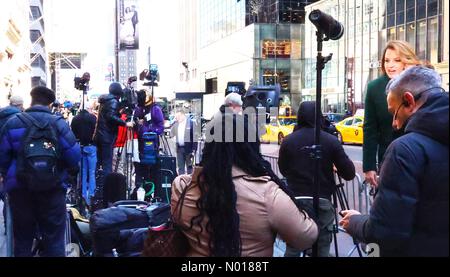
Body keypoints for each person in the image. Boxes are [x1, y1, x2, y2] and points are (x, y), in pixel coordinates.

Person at [171, 113, 318, 257]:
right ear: (250, 148)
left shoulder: (182, 187)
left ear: (210, 147)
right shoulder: (267, 194)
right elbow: (305, 238)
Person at [340, 66, 449, 257]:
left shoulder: (405, 150)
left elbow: (385, 232)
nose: (394, 123)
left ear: (408, 101)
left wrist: (356, 222)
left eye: (394, 113)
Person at [0, 86, 81, 257]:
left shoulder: (13, 123)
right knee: (54, 240)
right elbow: (74, 156)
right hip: (52, 189)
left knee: (22, 239)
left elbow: (3, 158)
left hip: (20, 190)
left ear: (31, 100)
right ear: (50, 104)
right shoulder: (58, 124)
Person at [279, 101, 355, 257]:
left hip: (295, 201)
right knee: (321, 248)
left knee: (293, 246)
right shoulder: (329, 140)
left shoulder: (288, 141)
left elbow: (283, 170)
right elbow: (349, 173)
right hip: (322, 200)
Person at [363, 40, 421, 188]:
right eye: (387, 60)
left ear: (406, 62)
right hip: (388, 159)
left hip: (419, 159)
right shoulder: (374, 88)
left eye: (396, 60)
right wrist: (369, 166)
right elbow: (370, 129)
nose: (390, 65)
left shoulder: (421, 84)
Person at [94, 82, 134, 176]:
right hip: (107, 136)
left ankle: (99, 186)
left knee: (100, 163)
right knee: (107, 163)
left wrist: (119, 112)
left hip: (100, 135)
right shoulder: (114, 101)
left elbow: (108, 115)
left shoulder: (105, 100)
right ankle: (107, 187)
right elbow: (111, 116)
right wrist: (125, 123)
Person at [133, 90, 165, 199]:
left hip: (152, 146)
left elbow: (160, 127)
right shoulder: (139, 109)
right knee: (141, 172)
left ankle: (156, 195)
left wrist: (148, 129)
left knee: (154, 172)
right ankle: (143, 195)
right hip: (140, 146)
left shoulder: (155, 109)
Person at [71, 107, 97, 207]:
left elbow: (72, 133)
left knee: (82, 172)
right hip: (91, 146)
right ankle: (91, 194)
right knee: (92, 172)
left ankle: (82, 194)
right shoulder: (92, 118)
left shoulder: (75, 119)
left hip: (80, 146)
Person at [170, 110, 198, 175]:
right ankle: (181, 182)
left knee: (189, 167)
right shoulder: (176, 124)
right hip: (179, 148)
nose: (177, 118)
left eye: (178, 116)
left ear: (183, 115)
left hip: (189, 149)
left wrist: (194, 149)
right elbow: (171, 134)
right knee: (180, 167)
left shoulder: (191, 123)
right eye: (176, 117)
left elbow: (195, 137)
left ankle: (190, 182)